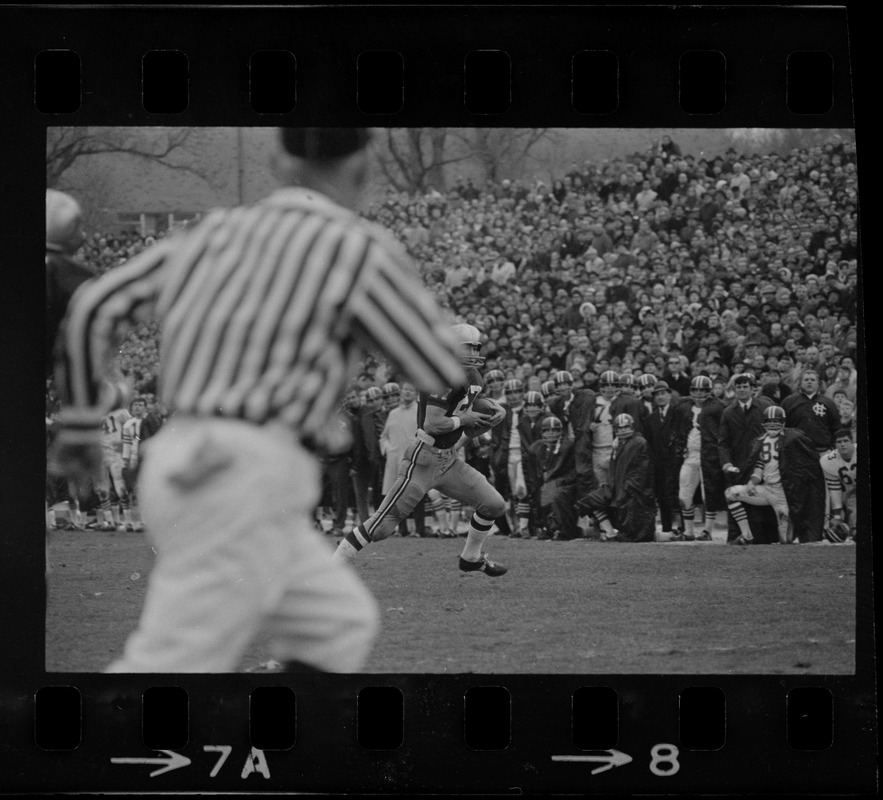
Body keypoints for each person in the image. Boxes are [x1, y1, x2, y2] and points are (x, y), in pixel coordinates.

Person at [52, 127, 467, 673]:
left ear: (274, 159)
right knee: (171, 663)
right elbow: (437, 367)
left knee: (336, 623)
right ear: (365, 167)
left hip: (195, 454)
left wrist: (81, 424)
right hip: (242, 467)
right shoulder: (358, 246)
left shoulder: (213, 232)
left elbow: (93, 307)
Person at [334, 323, 510, 576]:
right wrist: (467, 420)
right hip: (423, 459)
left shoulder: (472, 377)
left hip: (448, 460)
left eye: (475, 347)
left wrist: (494, 408)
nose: (473, 353)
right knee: (381, 528)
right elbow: (433, 423)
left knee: (494, 505)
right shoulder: (439, 377)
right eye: (467, 348)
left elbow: (466, 413)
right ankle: (329, 568)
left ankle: (471, 558)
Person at [725, 406, 827, 544]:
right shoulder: (760, 441)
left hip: (782, 493)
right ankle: (747, 534)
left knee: (785, 540)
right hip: (766, 489)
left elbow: (803, 467)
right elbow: (759, 466)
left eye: (776, 421)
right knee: (731, 493)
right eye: (769, 421)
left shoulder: (793, 438)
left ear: (783, 422)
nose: (772, 425)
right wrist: (751, 483)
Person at [577, 412, 656, 543]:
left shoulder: (638, 442)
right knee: (591, 500)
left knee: (637, 533)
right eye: (620, 428)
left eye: (626, 427)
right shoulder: (619, 443)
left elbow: (641, 472)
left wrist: (626, 488)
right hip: (616, 487)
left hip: (631, 491)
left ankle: (608, 532)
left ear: (632, 427)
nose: (623, 430)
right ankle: (609, 532)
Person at [718, 373, 777, 544]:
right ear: (734, 390)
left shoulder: (764, 407)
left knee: (762, 501)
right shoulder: (728, 412)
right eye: (739, 387)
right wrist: (726, 462)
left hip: (762, 463)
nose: (742, 390)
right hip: (738, 463)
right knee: (737, 498)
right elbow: (723, 442)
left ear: (752, 389)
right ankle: (739, 536)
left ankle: (765, 537)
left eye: (745, 387)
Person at [672, 375, 727, 541]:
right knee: (684, 493)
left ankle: (707, 531)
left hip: (709, 454)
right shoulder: (683, 406)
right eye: (695, 390)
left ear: (709, 391)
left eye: (703, 390)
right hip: (690, 454)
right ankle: (688, 531)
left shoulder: (718, 407)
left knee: (708, 493)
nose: (699, 393)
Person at [525, 416, 580, 540]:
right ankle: (546, 527)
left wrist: (556, 481)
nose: (551, 434)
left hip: (564, 482)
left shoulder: (567, 446)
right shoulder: (536, 448)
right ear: (542, 432)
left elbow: (570, 470)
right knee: (538, 494)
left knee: (555, 495)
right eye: (547, 430)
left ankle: (560, 529)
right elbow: (532, 472)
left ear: (560, 431)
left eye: (554, 430)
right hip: (544, 483)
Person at [644, 381, 684, 539]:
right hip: (659, 464)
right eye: (657, 395)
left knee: (678, 495)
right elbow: (649, 442)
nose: (660, 397)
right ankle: (667, 528)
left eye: (663, 393)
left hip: (676, 461)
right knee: (661, 495)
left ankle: (682, 527)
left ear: (669, 395)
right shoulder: (650, 418)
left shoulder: (677, 413)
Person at [783, 369, 841, 454]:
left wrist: (832, 447)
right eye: (806, 380)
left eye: (812, 380)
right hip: (797, 451)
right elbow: (784, 427)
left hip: (822, 450)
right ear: (801, 383)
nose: (809, 382)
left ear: (818, 383)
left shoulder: (828, 402)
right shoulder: (789, 402)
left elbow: (836, 427)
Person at [820, 429, 858, 542]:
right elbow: (834, 488)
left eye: (846, 441)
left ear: (852, 441)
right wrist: (837, 516)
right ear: (835, 444)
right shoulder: (828, 460)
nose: (842, 444)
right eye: (839, 442)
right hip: (849, 491)